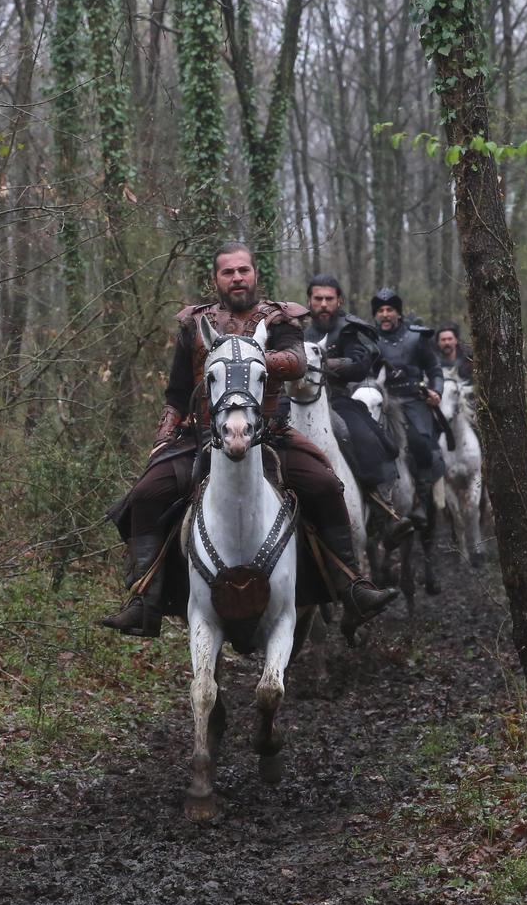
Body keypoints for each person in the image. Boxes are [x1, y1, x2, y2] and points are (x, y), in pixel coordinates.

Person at [100, 244, 398, 638]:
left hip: (270, 434)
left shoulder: (280, 319)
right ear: (216, 280)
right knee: (145, 494)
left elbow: (295, 363)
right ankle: (144, 600)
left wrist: (245, 353)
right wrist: (163, 438)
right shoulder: (194, 323)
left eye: (243, 270)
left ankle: (352, 586)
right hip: (201, 436)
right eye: (228, 272)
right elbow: (175, 394)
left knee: (326, 485)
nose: (237, 278)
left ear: (256, 274)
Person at [303, 274, 399, 497]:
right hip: (297, 400)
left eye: (329, 299)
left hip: (337, 401)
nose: (324, 304)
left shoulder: (349, 329)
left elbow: (360, 364)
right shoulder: (296, 329)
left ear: (339, 301)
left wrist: (324, 363)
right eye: (318, 299)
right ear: (309, 301)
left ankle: (381, 501)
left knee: (366, 439)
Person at [369, 288, 446, 529]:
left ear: (398, 313)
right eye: (380, 311)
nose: (385, 314)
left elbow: (434, 369)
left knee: (421, 445)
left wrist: (437, 392)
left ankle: (420, 502)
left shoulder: (416, 338)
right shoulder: (370, 340)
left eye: (389, 310)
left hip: (414, 402)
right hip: (383, 403)